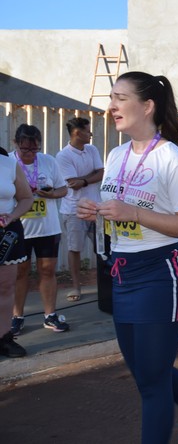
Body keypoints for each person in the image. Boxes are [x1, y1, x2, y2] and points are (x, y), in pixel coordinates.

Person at [76, 71, 178, 443]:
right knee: (145, 372)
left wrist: (133, 213)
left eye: (120, 98)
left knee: (152, 384)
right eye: (112, 97)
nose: (112, 106)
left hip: (162, 275)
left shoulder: (173, 159)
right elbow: (123, 207)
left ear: (148, 106)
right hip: (122, 273)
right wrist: (100, 212)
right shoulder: (115, 154)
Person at [11, 125, 69, 335]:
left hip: (47, 228)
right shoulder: (7, 162)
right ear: (15, 143)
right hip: (19, 228)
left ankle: (50, 315)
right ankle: (16, 317)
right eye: (25, 149)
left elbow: (63, 188)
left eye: (34, 150)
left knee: (47, 270)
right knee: (20, 273)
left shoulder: (48, 161)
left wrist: (51, 194)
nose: (29, 154)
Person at [56, 117, 104, 302]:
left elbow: (101, 173)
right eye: (88, 130)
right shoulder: (63, 156)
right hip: (74, 210)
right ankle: (76, 286)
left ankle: (104, 283)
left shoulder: (92, 149)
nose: (91, 134)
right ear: (77, 133)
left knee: (102, 248)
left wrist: (83, 180)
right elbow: (72, 184)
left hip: (96, 209)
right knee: (74, 249)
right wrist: (89, 178)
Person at [0, 147, 34, 357]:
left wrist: (11, 216)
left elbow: (26, 198)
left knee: (5, 288)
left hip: (6, 233)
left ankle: (4, 338)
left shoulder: (7, 163)